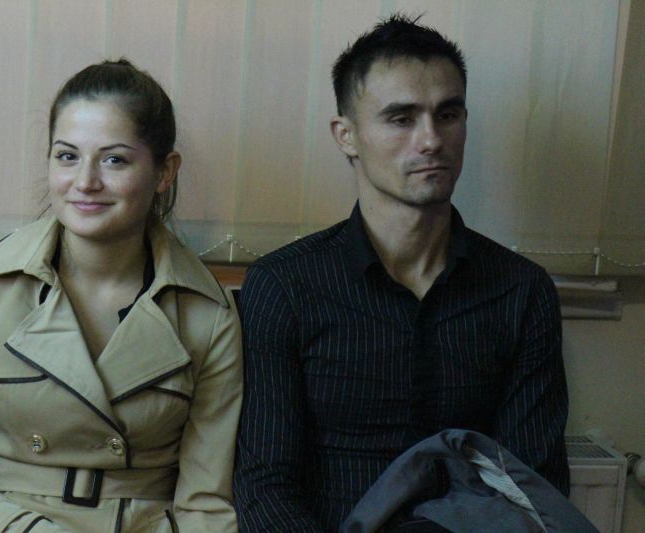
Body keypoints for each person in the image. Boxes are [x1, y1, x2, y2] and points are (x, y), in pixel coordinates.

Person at [233, 14, 569, 532]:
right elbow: (264, 486)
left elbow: (532, 485)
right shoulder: (285, 286)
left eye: (448, 114)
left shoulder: (522, 290)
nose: (431, 140)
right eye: (401, 118)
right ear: (347, 136)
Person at [0, 59, 242, 532]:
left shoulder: (208, 312)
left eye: (114, 160)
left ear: (165, 171)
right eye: (67, 156)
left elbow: (207, 506)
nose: (85, 182)